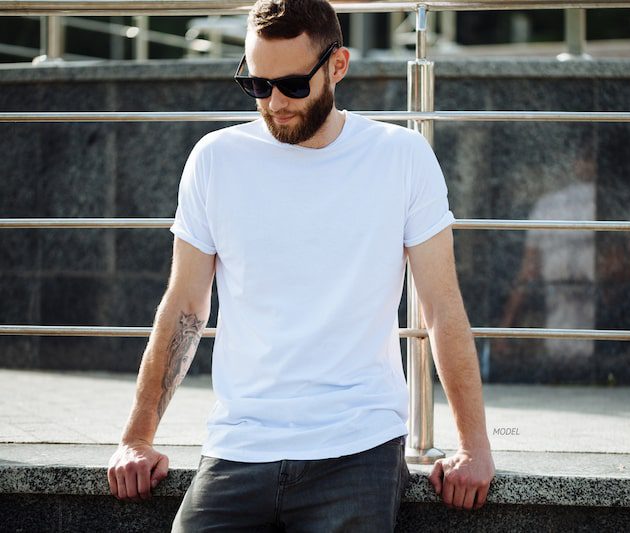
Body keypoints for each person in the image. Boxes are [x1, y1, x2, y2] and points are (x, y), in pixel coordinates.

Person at [106, 0, 495, 530]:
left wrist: (475, 447)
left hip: (357, 447)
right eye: (257, 85)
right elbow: (184, 307)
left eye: (291, 84)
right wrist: (136, 438)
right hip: (239, 446)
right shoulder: (215, 159)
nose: (274, 104)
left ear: (338, 66)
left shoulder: (400, 156)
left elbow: (441, 307)